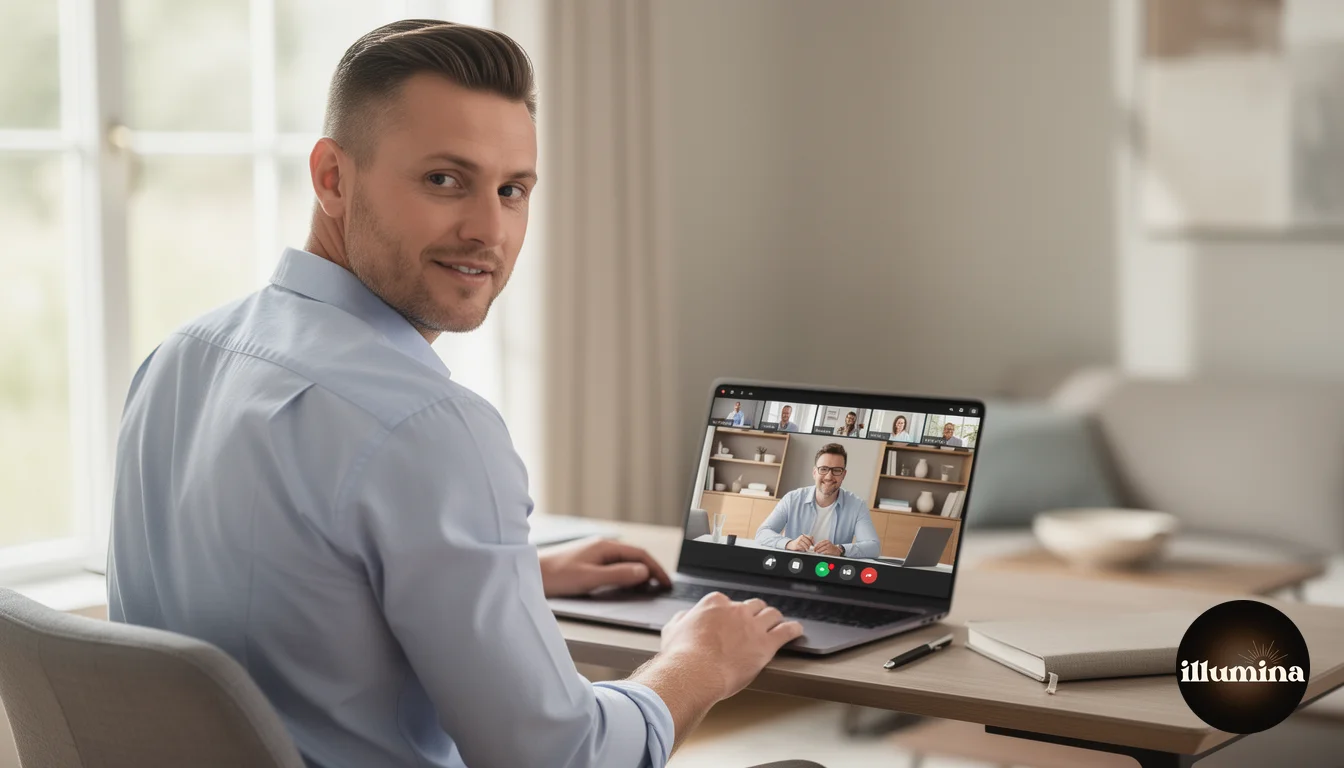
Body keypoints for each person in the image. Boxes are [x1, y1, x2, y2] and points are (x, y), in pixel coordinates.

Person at [106, 21, 805, 768]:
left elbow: (270, 590)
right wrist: (699, 661)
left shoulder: (178, 358)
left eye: (513, 190)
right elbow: (559, 758)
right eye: (445, 180)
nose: (487, 230)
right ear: (332, 178)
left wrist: (501, 573)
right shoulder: (428, 426)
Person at [754, 444, 880, 558]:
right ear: (814, 472)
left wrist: (840, 549)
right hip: (792, 564)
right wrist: (789, 543)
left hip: (831, 572)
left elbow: (873, 547)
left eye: (836, 470)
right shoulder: (792, 499)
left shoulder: (857, 506)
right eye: (823, 469)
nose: (829, 476)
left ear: (843, 474)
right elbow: (762, 533)